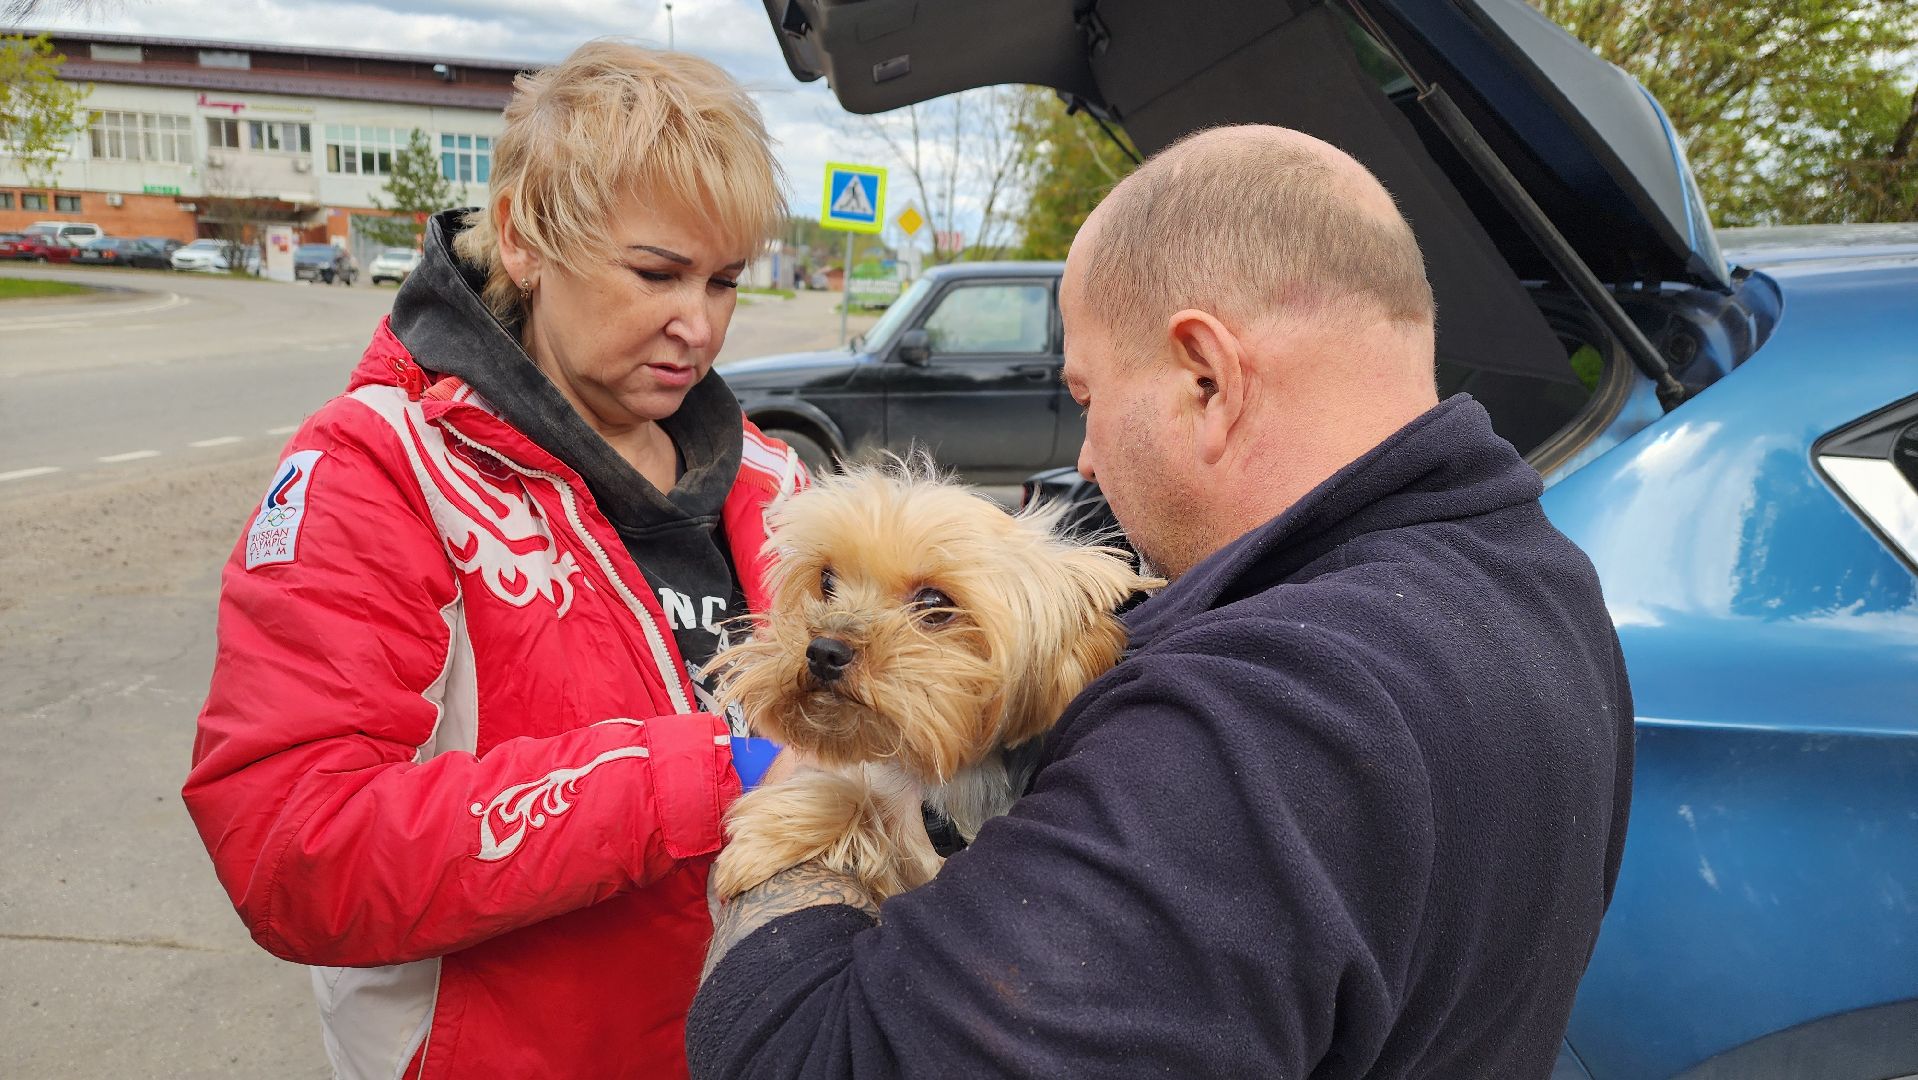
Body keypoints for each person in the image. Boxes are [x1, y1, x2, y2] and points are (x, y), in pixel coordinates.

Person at [687, 126, 1634, 1079]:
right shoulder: (1546, 590)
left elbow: (799, 1058)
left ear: (1205, 377)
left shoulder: (1251, 724)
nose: (1087, 457)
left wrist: (810, 800)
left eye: (1087, 395)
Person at [183, 41, 804, 1080]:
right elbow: (294, 847)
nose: (697, 325)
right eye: (655, 272)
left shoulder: (773, 485)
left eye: (725, 281)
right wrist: (703, 776)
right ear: (523, 239)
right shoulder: (383, 466)